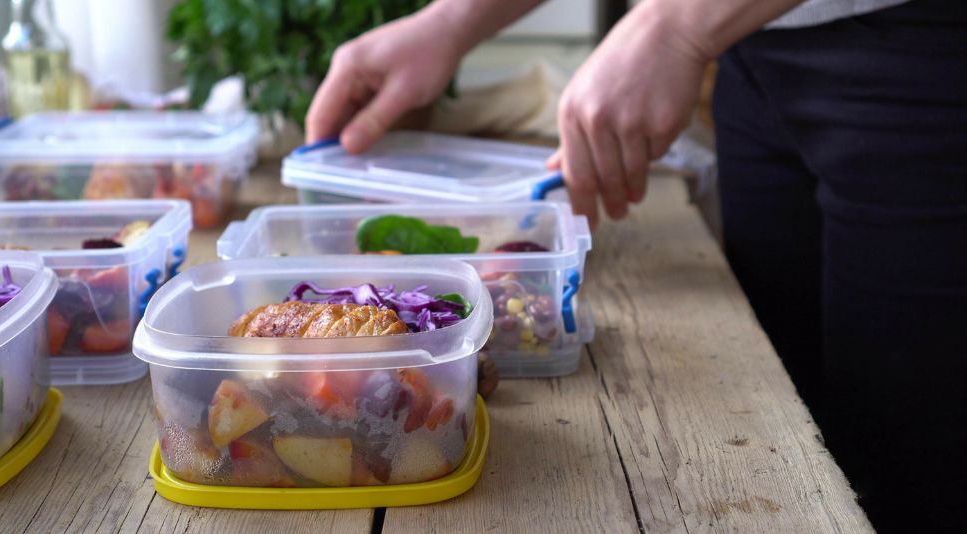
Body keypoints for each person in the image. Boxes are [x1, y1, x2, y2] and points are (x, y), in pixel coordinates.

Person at [306, 0, 967, 529]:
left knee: (912, 455)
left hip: (920, 51)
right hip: (751, 49)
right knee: (799, 414)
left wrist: (676, 22)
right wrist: (452, 21)